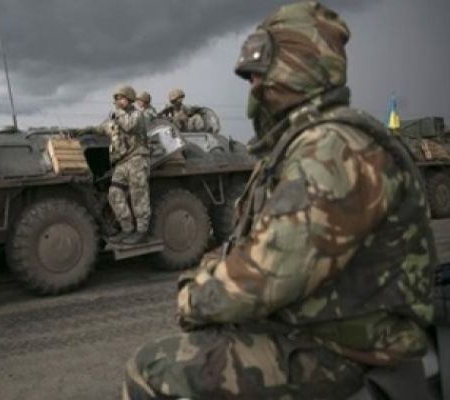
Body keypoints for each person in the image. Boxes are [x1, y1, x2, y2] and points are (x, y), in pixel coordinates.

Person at [123, 2, 435, 399]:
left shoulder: (332, 150)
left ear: (295, 70)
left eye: (261, 74)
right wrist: (210, 275)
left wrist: (193, 296)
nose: (254, 87)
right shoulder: (301, 148)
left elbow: (267, 277)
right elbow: (249, 243)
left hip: (347, 351)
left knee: (150, 368)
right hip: (319, 331)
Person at [101, 85, 151, 245]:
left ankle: (141, 231)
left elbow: (129, 126)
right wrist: (82, 131)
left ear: (129, 99)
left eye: (120, 98)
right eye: (116, 99)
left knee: (138, 195)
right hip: (122, 162)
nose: (117, 101)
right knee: (114, 193)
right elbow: (102, 128)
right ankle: (127, 229)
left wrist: (118, 112)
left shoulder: (137, 115)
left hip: (137, 159)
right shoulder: (117, 117)